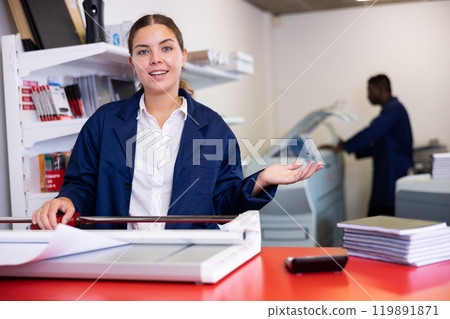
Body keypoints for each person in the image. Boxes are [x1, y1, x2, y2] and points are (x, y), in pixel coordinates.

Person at [32, 14, 323, 230]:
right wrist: (68, 200)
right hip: (118, 257)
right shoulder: (104, 122)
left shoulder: (213, 128)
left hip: (191, 254)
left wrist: (262, 179)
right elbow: (81, 185)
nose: (155, 59)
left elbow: (223, 205)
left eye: (166, 48)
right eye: (143, 51)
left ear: (183, 57)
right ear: (133, 64)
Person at [322, 74, 413, 216]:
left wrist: (345, 146)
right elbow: (379, 145)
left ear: (381, 89)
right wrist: (345, 146)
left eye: (370, 91)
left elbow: (372, 132)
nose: (367, 96)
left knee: (381, 216)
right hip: (388, 171)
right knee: (378, 213)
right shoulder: (391, 109)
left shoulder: (394, 109)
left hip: (392, 174)